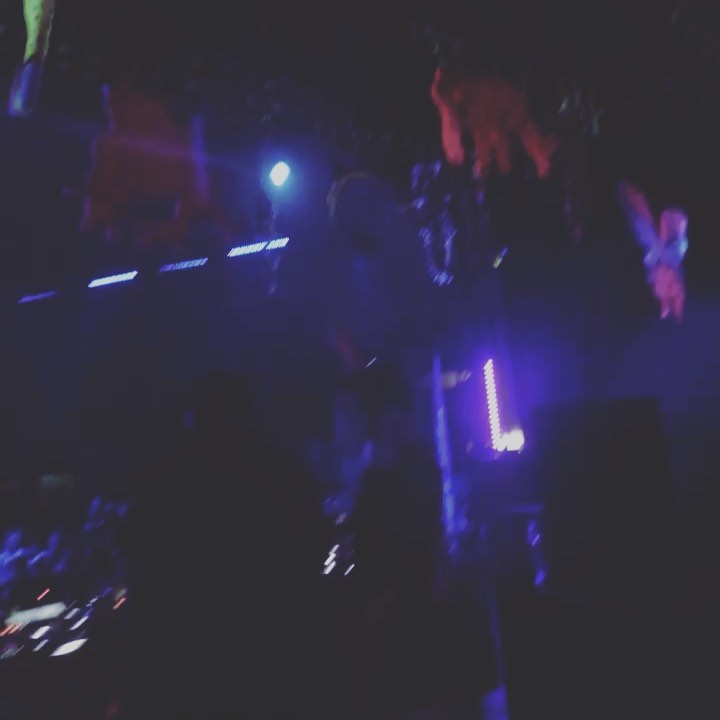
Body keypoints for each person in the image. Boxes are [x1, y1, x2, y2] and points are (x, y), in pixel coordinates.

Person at [125, 371, 328, 719]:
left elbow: (142, 560)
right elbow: (313, 552)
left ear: (195, 417)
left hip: (193, 668)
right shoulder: (286, 474)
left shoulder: (168, 481)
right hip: (280, 661)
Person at [336, 363, 445, 716]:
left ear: (381, 416)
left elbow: (392, 553)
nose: (342, 422)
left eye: (350, 411)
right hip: (403, 621)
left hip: (395, 624)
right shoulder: (405, 468)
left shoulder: (393, 476)